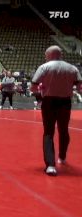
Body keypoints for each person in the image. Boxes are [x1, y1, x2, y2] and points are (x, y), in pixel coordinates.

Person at [31, 45, 82, 176]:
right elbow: (80, 87)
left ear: (49, 55)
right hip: (65, 102)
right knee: (64, 130)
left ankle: (50, 165)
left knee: (48, 132)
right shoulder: (72, 68)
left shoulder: (44, 67)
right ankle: (62, 157)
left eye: (46, 55)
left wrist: (41, 92)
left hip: (49, 102)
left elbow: (33, 87)